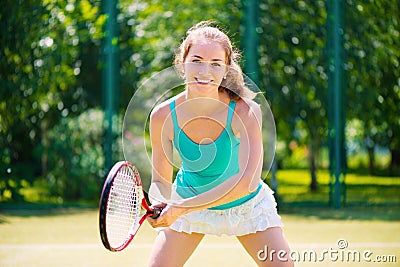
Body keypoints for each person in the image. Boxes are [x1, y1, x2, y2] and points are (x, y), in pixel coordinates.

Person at [147, 21, 293, 267]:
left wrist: (181, 208)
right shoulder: (162, 116)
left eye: (216, 64)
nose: (205, 71)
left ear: (226, 69)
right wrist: (162, 203)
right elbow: (161, 181)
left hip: (246, 206)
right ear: (182, 63)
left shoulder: (247, 111)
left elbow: (246, 183)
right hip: (188, 201)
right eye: (197, 60)